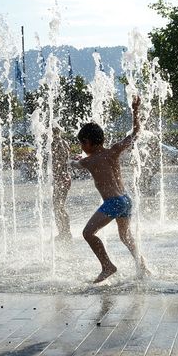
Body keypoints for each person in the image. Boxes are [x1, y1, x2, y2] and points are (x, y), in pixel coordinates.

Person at [72, 95, 149, 283]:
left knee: (88, 233)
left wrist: (71, 160)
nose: (82, 147)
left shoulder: (89, 160)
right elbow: (136, 133)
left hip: (113, 202)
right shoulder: (114, 150)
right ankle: (143, 267)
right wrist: (135, 111)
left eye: (82, 143)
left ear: (88, 142)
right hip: (126, 200)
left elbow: (75, 165)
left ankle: (107, 266)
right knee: (125, 236)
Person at [52, 125, 73, 243]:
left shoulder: (55, 144)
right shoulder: (64, 143)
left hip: (61, 179)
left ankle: (64, 232)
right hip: (63, 178)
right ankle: (64, 231)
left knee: (58, 206)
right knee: (58, 206)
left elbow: (59, 163)